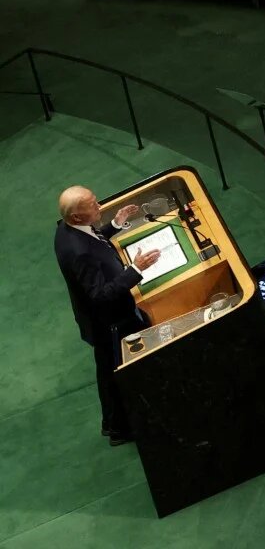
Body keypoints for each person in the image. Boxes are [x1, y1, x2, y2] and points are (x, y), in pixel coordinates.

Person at [54, 185, 162, 446]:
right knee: (112, 372)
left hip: (104, 319)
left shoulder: (66, 228)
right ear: (77, 217)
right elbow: (100, 294)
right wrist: (136, 268)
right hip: (108, 323)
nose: (99, 206)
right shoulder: (77, 252)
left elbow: (93, 241)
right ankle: (118, 429)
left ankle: (113, 424)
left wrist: (114, 224)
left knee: (108, 370)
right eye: (92, 206)